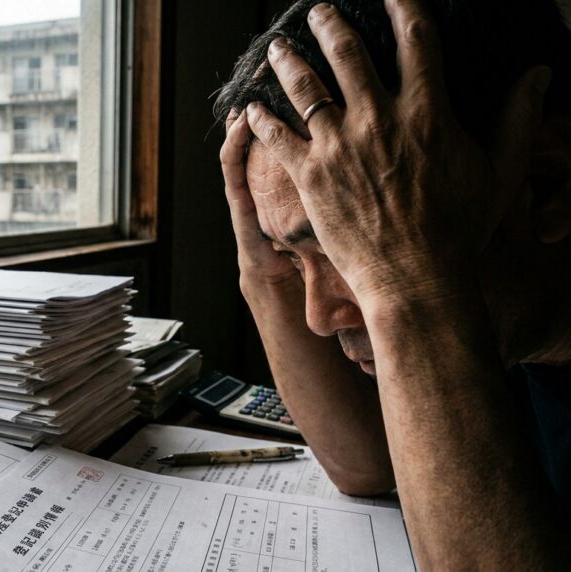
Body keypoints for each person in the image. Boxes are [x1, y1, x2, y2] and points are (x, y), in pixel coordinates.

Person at [214, 0, 571, 567]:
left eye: (346, 245)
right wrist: (264, 264)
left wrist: (407, 283)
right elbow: (366, 465)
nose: (319, 316)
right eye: (298, 255)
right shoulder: (514, 338)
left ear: (549, 185)